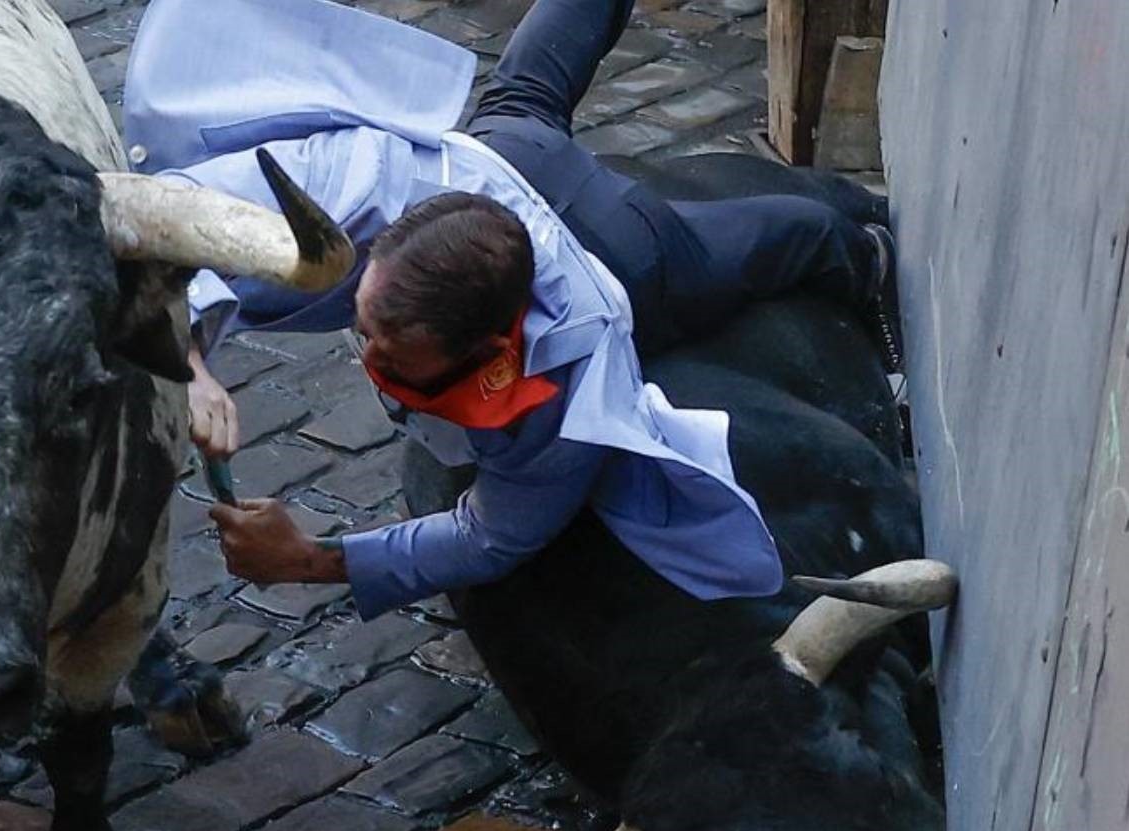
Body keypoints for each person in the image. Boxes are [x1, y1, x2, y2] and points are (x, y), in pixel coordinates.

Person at [121, 0, 901, 621]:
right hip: (497, 155)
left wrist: (311, 559)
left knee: (779, 238)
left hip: (618, 243)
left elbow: (493, 534)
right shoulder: (357, 173)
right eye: (365, 325)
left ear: (498, 350)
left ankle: (863, 252)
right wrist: (186, 363)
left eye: (395, 359)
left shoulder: (567, 381)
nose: (368, 360)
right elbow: (183, 214)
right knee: (526, 92)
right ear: (389, 234)